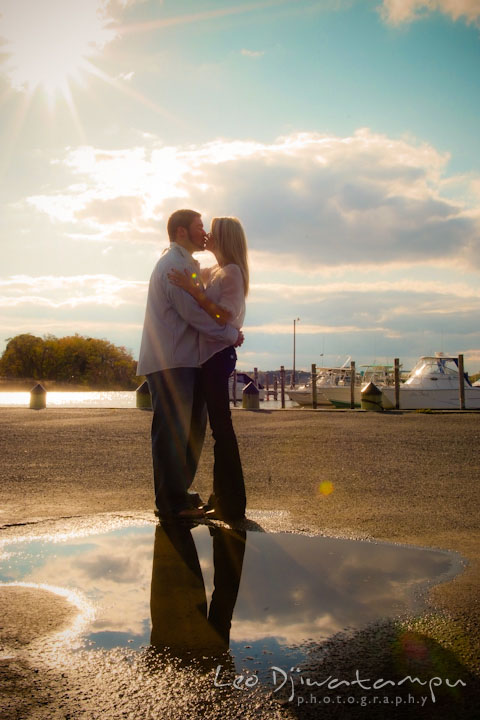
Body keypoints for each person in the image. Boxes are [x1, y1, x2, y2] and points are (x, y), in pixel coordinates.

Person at [137, 209, 242, 521]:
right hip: (171, 362)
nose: (204, 233)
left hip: (186, 361)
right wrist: (230, 333)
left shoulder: (188, 265)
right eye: (199, 227)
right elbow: (195, 315)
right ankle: (171, 503)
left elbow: (208, 297)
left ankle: (179, 492)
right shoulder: (173, 266)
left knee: (193, 428)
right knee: (172, 431)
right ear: (181, 232)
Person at [168, 216, 249, 522]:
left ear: (225, 238)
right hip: (210, 357)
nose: (207, 236)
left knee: (222, 429)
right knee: (219, 430)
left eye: (212, 232)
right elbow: (185, 268)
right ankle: (223, 498)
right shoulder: (214, 270)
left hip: (218, 357)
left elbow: (224, 317)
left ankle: (231, 502)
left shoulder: (232, 273)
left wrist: (196, 292)